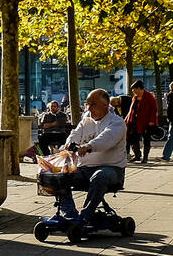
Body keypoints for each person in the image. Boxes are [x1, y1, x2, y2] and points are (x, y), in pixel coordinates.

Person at [38, 89, 127, 224]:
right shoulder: (86, 121)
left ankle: (86, 215)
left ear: (105, 105)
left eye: (93, 104)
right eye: (88, 104)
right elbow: (75, 134)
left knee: (100, 176)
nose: (89, 108)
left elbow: (107, 138)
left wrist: (89, 146)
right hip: (84, 168)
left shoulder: (117, 122)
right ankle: (70, 214)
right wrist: (68, 145)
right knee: (59, 176)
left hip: (112, 168)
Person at [124, 80, 157, 163]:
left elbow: (154, 109)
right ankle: (137, 155)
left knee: (146, 139)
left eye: (134, 90)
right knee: (132, 138)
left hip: (146, 122)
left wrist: (151, 121)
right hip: (134, 122)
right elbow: (131, 110)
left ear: (139, 88)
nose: (133, 92)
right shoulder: (134, 97)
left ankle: (145, 157)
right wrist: (126, 119)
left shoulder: (149, 96)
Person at [163, 81, 173, 162]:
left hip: (172, 120)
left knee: (171, 137)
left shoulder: (169, 96)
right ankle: (166, 155)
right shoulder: (171, 96)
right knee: (171, 138)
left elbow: (169, 110)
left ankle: (166, 156)